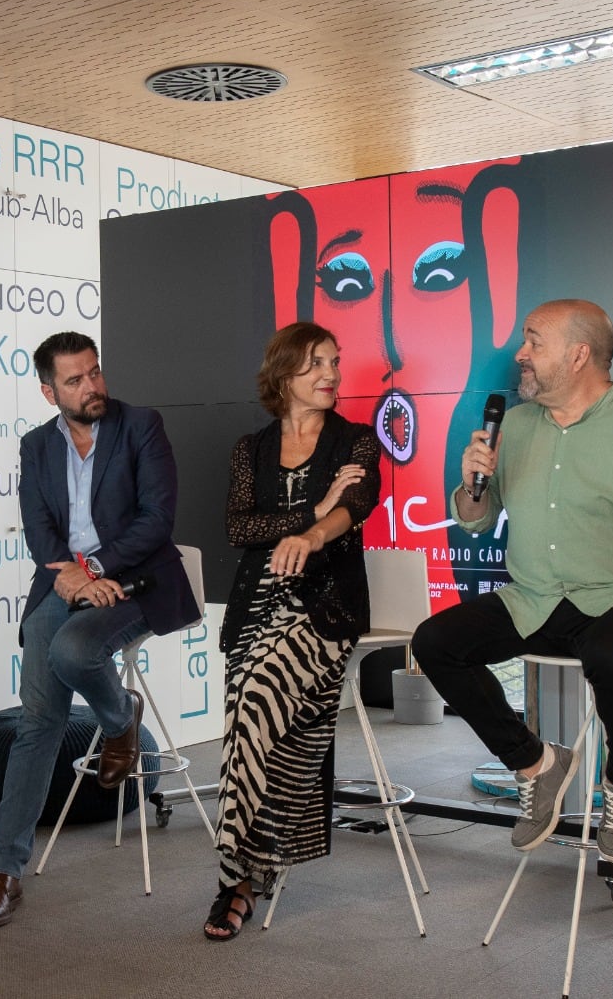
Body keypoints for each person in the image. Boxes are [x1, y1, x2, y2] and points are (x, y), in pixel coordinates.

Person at [412, 299, 613, 863]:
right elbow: (476, 520)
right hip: (537, 599)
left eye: (534, 342)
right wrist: (471, 487)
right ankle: (537, 765)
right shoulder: (514, 425)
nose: (521, 354)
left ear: (579, 354)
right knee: (435, 643)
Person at [0, 331, 201, 929]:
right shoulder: (35, 446)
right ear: (50, 392)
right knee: (37, 724)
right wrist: (71, 579)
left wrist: (95, 570)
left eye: (94, 373)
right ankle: (6, 871)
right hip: (63, 583)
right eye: (74, 380)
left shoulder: (140, 425)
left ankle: (119, 719)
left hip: (137, 579)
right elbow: (38, 526)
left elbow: (157, 519)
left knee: (76, 650)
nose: (92, 386)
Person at [205, 322, 382, 940]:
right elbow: (238, 528)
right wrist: (308, 509)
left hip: (324, 611)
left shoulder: (357, 442)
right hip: (254, 607)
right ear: (283, 375)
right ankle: (250, 870)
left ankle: (232, 879)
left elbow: (354, 508)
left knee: (254, 703)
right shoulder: (250, 449)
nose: (331, 374)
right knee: (246, 723)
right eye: (315, 365)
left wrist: (311, 534)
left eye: (335, 361)